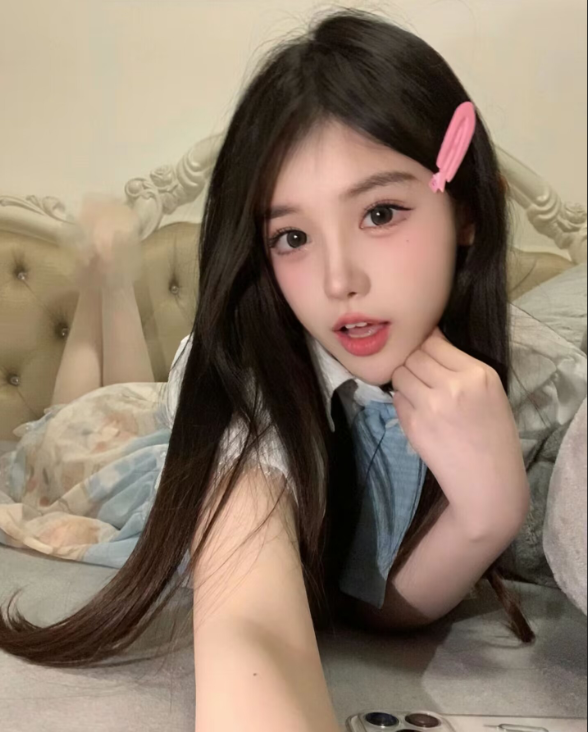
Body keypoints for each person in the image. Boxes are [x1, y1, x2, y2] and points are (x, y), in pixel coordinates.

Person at [0, 9, 539, 730]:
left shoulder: (536, 375)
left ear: (467, 210)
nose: (339, 280)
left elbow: (373, 602)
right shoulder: (253, 376)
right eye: (292, 237)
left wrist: (489, 513)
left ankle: (111, 283)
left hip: (171, 411)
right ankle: (109, 278)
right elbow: (251, 622)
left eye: (380, 213)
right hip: (127, 451)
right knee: (74, 417)